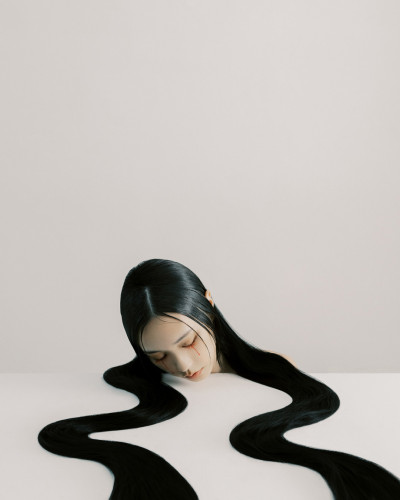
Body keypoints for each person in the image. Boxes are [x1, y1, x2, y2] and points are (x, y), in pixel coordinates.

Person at [38, 258, 400, 499]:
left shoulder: (275, 370)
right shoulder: (129, 389)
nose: (182, 365)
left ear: (208, 303)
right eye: (158, 356)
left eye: (188, 342)